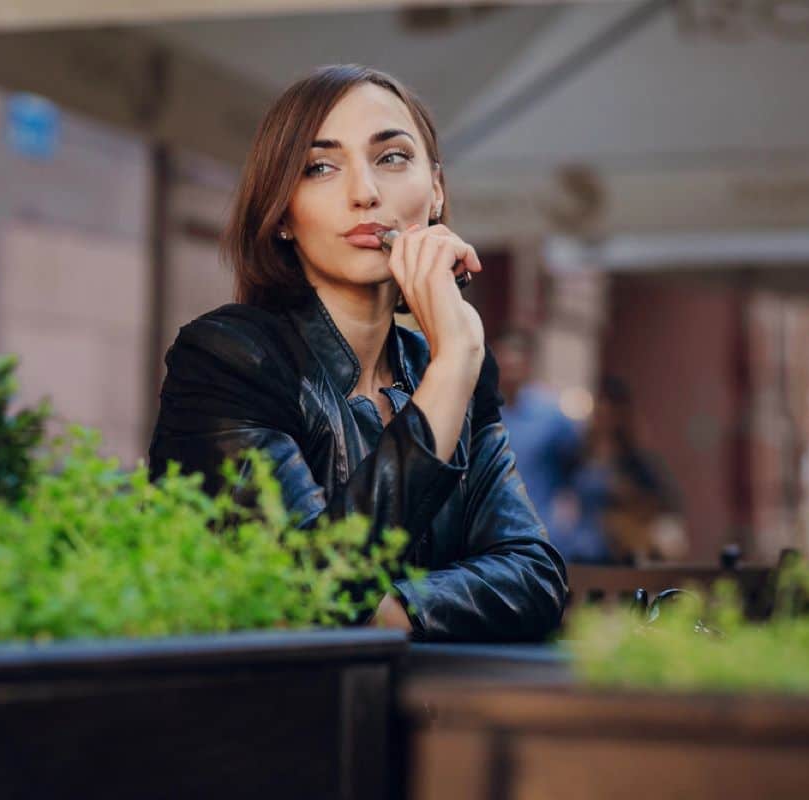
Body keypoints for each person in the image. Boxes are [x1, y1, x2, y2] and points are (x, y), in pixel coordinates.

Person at [149, 65, 567, 642]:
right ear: (283, 214)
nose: (365, 192)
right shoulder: (228, 358)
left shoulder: (453, 365)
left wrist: (388, 614)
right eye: (320, 168)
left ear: (436, 189)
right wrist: (454, 362)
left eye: (391, 157)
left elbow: (535, 577)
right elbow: (309, 595)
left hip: (442, 722)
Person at [555, 376, 687, 564]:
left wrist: (625, 493)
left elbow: (663, 499)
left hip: (618, 545)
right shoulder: (581, 452)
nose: (604, 412)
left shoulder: (634, 458)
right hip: (581, 541)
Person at [492, 329, 582, 542]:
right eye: (502, 363)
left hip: (539, 528)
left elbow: (574, 465)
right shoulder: (482, 411)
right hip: (491, 529)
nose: (508, 371)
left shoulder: (552, 416)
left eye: (514, 364)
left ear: (527, 366)